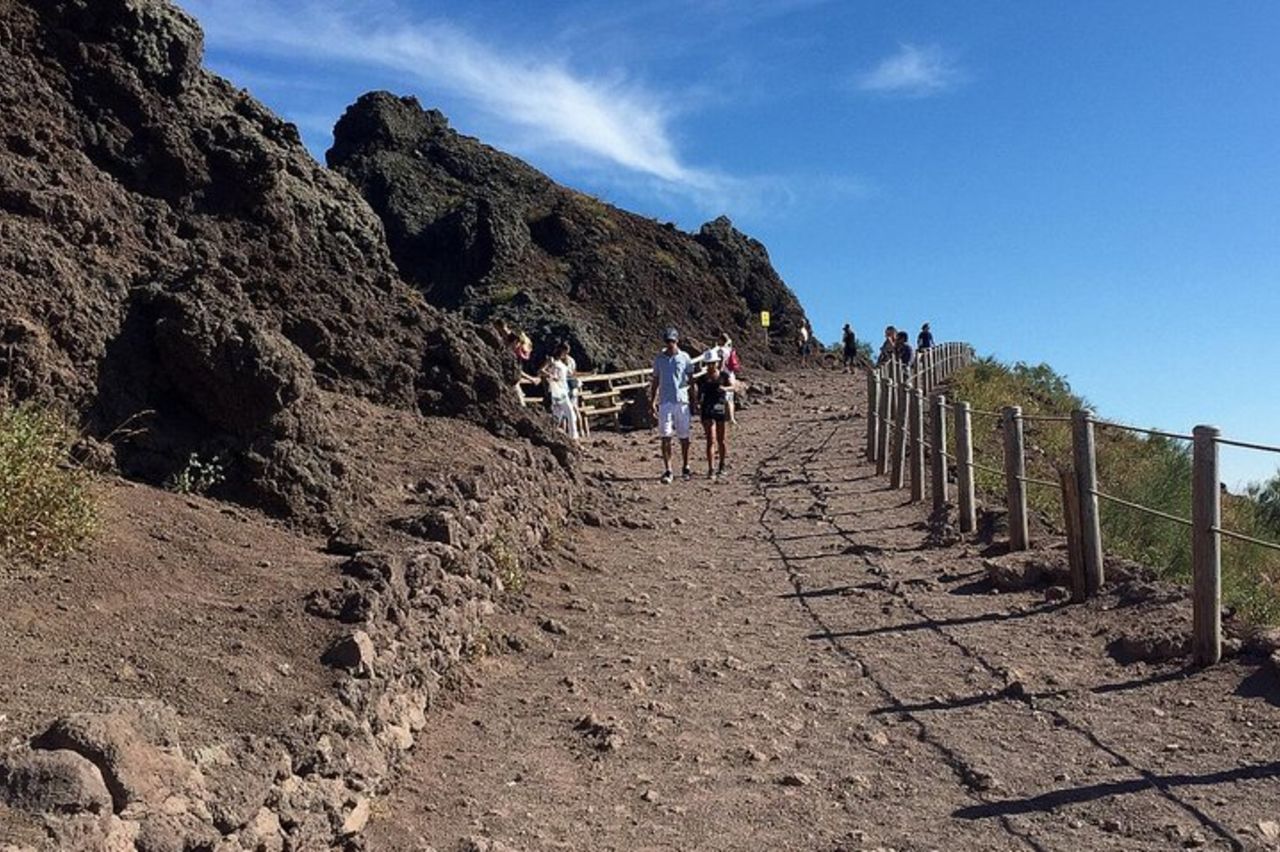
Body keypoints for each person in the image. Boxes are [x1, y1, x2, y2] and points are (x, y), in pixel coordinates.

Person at [648, 327, 695, 483]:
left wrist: (694, 399)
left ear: (677, 341)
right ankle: (668, 469)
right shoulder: (659, 359)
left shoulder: (685, 357)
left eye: (672, 341)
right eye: (667, 341)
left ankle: (686, 466)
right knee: (665, 435)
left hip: (681, 400)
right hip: (665, 401)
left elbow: (691, 379)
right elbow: (655, 380)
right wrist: (652, 400)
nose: (670, 344)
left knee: (684, 436)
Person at [691, 351, 738, 479]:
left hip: (720, 408)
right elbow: (697, 395)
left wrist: (725, 388)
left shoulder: (723, 376)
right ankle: (711, 468)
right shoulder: (702, 379)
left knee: (721, 439)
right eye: (709, 364)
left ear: (717, 363)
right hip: (707, 409)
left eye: (713, 363)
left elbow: (734, 386)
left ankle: (722, 465)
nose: (711, 366)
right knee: (710, 439)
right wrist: (696, 404)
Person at [541, 342, 579, 443]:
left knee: (557, 415)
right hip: (557, 391)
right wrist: (552, 376)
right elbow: (541, 370)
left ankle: (550, 434)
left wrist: (589, 373)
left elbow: (571, 374)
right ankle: (573, 437)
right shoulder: (551, 360)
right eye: (565, 352)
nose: (565, 355)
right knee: (570, 413)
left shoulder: (562, 363)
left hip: (563, 390)